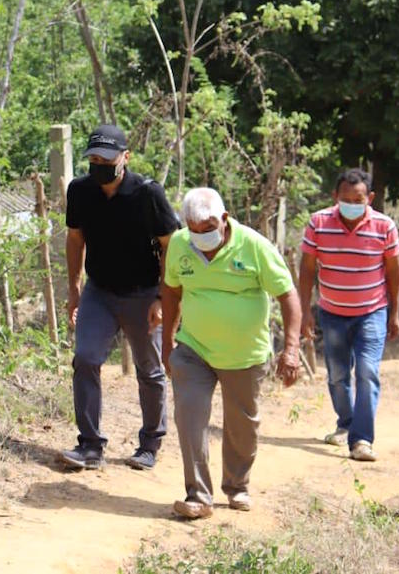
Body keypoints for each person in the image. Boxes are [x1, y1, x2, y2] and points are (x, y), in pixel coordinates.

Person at [161, 188, 301, 519]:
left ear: (224, 219)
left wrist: (291, 350)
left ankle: (237, 486)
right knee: (189, 419)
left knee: (241, 426)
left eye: (208, 228)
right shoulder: (180, 244)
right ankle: (198, 495)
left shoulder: (254, 246)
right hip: (194, 349)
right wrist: (168, 343)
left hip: (244, 355)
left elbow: (288, 295)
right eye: (194, 229)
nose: (201, 235)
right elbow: (170, 291)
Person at [62, 124, 181, 471]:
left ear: (125, 158)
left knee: (151, 369)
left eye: (107, 159)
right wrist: (74, 287)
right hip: (99, 291)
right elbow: (74, 238)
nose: (99, 165)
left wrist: (163, 297)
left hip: (143, 294)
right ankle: (89, 445)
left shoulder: (148, 194)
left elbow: (169, 247)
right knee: (85, 358)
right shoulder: (80, 191)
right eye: (94, 159)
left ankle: (149, 444)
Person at [298, 168, 399, 462]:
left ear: (369, 197)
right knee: (338, 375)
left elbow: (393, 272)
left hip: (373, 312)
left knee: (368, 372)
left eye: (358, 199)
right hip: (332, 313)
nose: (352, 204)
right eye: (346, 198)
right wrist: (305, 312)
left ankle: (362, 440)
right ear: (335, 196)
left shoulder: (384, 226)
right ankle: (345, 423)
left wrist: (395, 312)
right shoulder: (319, 223)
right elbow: (307, 269)